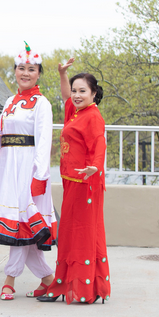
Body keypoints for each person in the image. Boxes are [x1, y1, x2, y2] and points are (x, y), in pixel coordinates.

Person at [0, 42, 57, 300]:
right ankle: (49, 279)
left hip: (28, 169)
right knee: (26, 229)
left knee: (24, 224)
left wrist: (40, 177)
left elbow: (44, 142)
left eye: (32, 69)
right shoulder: (10, 100)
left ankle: (9, 279)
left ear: (38, 73)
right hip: (8, 166)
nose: (25, 73)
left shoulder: (42, 104)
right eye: (21, 68)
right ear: (15, 71)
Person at [38, 67, 110, 304]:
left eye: (83, 91)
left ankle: (83, 289)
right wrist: (61, 74)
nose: (77, 95)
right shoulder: (77, 111)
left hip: (86, 184)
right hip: (72, 182)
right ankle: (74, 285)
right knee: (71, 233)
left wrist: (95, 167)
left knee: (81, 234)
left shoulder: (93, 117)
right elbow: (66, 95)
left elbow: (99, 145)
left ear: (93, 93)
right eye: (75, 90)